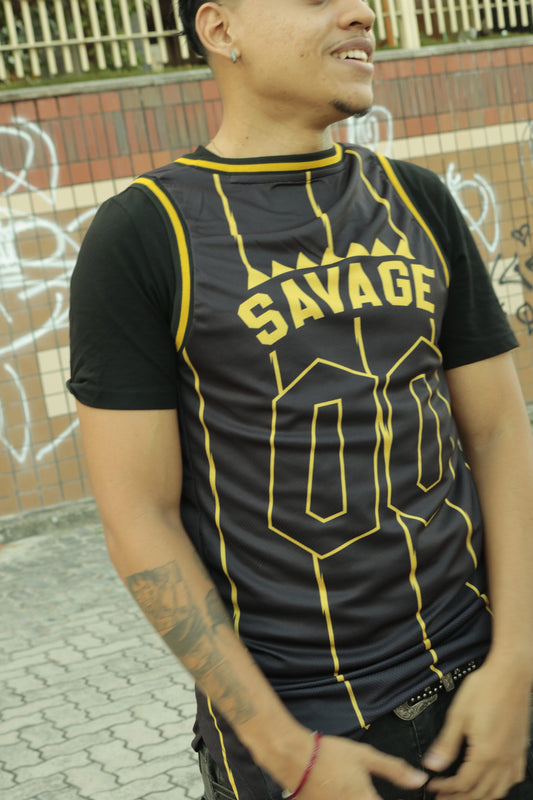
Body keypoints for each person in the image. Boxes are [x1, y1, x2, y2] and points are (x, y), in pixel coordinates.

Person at [68, 1, 533, 798]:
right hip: (309, 738)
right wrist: (285, 752)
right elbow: (137, 517)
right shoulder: (145, 234)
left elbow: (497, 434)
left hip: (482, 689)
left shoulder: (417, 199)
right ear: (221, 30)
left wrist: (516, 663)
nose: (362, 12)